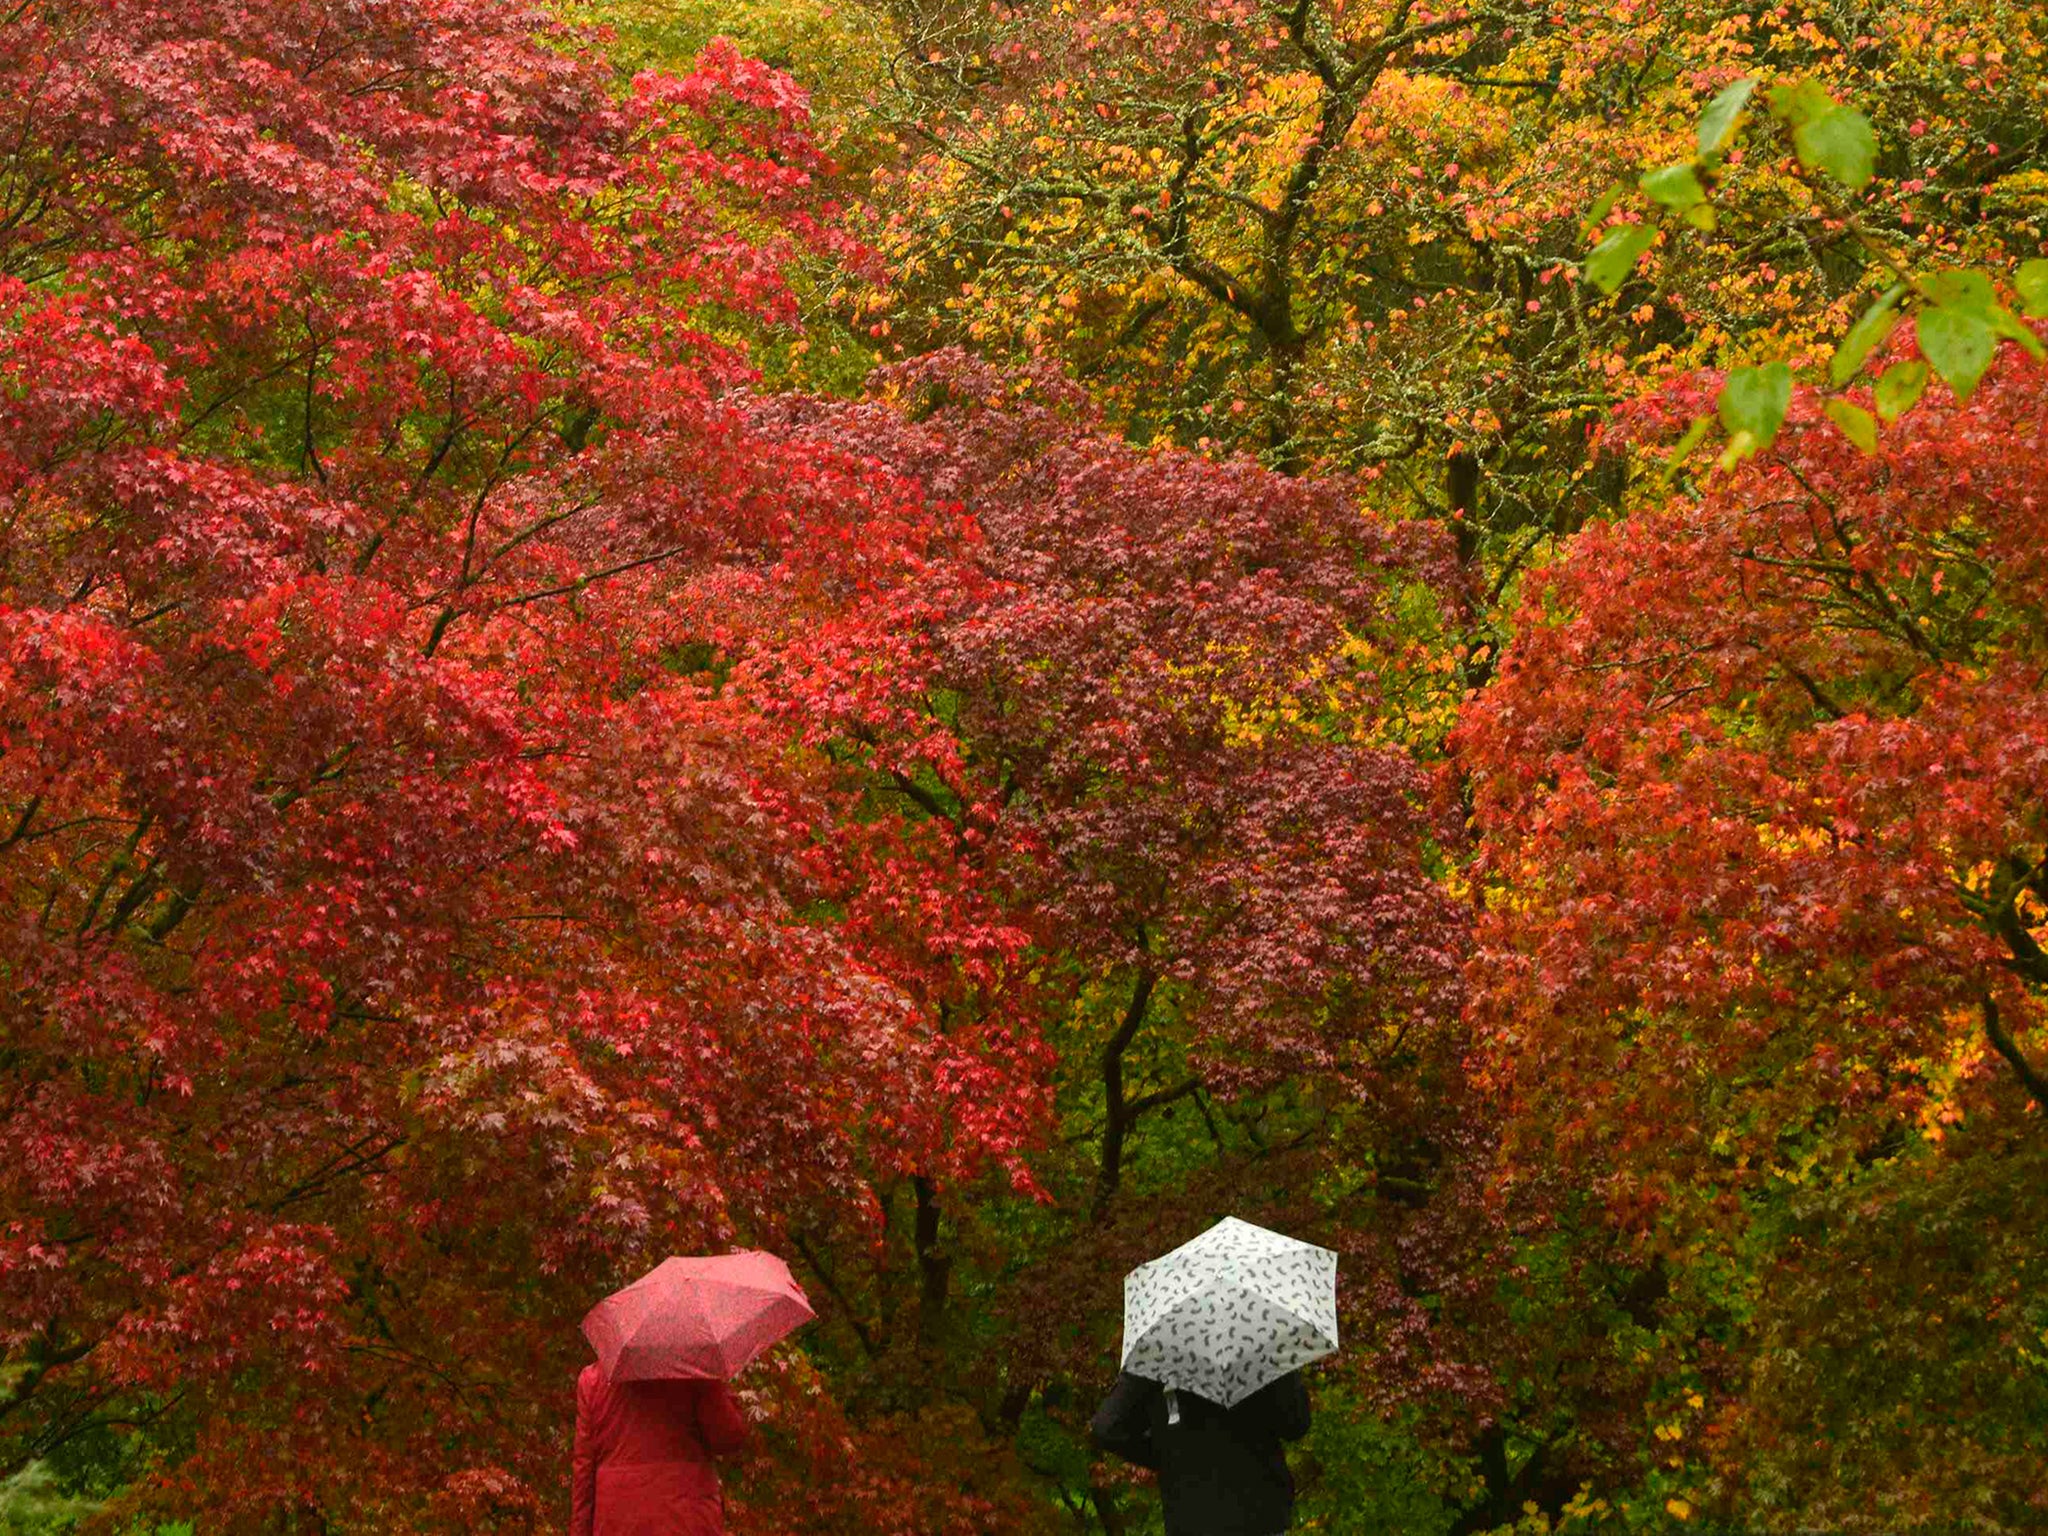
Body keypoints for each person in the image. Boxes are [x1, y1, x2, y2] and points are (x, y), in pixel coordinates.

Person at [1090, 1369, 1311, 1535]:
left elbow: (1107, 1427)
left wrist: (1172, 1457)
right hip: (1260, 1513)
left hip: (1191, 1516)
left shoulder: (1158, 1347)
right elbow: (1296, 1424)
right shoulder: (1259, 1336)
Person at [571, 1363, 749, 1536]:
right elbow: (728, 1438)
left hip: (618, 1521)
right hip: (687, 1519)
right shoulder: (695, 1372)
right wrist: (717, 1383)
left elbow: (584, 1470)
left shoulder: (592, 1381)